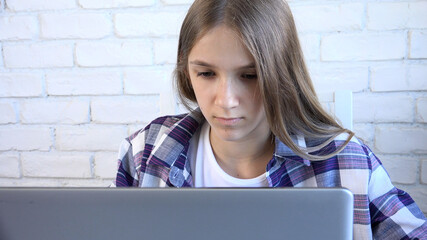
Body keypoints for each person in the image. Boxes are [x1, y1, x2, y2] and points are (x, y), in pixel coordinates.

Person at [113, 0, 427, 239]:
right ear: (187, 71)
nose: (225, 100)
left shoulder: (346, 162)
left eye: (250, 76)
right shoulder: (145, 152)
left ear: (282, 74)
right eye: (206, 73)